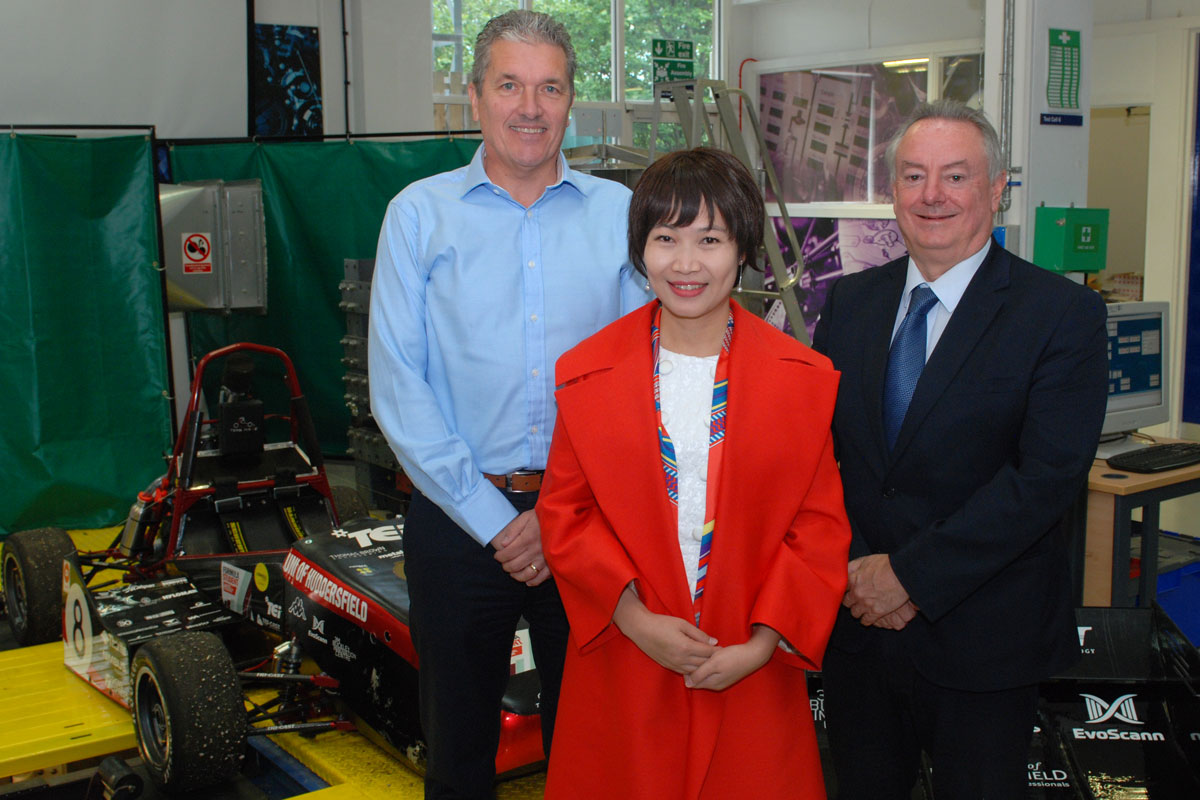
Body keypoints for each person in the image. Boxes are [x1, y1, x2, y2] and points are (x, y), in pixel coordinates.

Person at [367, 10, 650, 799]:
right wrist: (499, 522)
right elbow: (397, 384)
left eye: (550, 87)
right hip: (459, 527)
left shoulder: (620, 217)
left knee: (593, 750)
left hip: (592, 522)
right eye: (510, 85)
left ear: (571, 100)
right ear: (474, 97)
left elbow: (641, 374)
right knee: (458, 753)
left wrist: (563, 508)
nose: (530, 106)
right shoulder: (418, 215)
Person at [811, 100, 1108, 798]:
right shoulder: (849, 303)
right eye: (913, 176)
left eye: (955, 176)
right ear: (893, 193)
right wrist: (854, 576)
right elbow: (821, 456)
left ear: (998, 187)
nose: (932, 196)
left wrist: (908, 576)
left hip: (984, 642)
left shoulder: (1060, 314)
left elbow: (1044, 479)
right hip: (857, 633)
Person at [537, 147, 851, 799]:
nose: (685, 264)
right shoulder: (587, 373)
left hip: (746, 666)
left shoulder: (802, 380)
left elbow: (817, 529)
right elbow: (566, 514)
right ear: (640, 250)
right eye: (665, 239)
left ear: (742, 251)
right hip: (627, 659)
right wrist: (633, 617)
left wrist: (764, 642)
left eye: (709, 239)